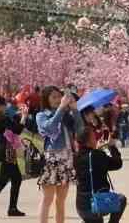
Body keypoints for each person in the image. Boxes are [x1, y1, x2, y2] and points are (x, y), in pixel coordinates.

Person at [36, 86, 82, 223]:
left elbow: (80, 130)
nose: (57, 99)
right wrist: (61, 109)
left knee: (61, 201)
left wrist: (74, 109)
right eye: (54, 97)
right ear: (46, 99)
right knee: (47, 199)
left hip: (67, 159)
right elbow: (49, 127)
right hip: (52, 160)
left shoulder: (66, 115)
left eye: (59, 96)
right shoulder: (42, 115)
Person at [0, 97, 29, 219]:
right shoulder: (3, 119)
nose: (6, 106)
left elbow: (12, 124)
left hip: (6, 151)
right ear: (0, 106)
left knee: (16, 179)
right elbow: (17, 130)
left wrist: (19, 115)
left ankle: (12, 208)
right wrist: (24, 116)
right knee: (1, 182)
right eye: (4, 104)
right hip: (6, 153)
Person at [75, 126, 126, 223]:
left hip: (81, 206)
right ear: (88, 141)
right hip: (97, 204)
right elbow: (117, 164)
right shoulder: (97, 155)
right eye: (94, 137)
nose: (96, 139)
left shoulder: (76, 156)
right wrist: (111, 146)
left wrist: (97, 150)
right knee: (121, 199)